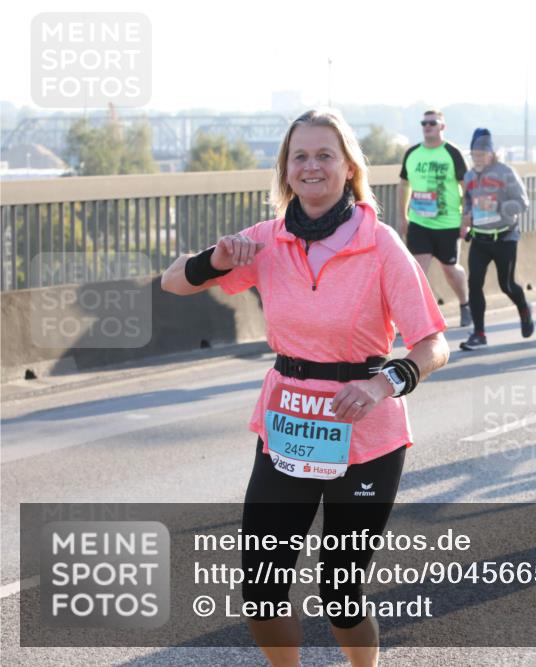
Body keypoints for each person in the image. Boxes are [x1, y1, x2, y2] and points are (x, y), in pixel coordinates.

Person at [161, 109, 450, 667]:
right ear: (286, 171)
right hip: (287, 427)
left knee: (340, 595)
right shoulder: (266, 240)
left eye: (325, 155)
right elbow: (174, 282)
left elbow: (432, 345)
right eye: (301, 157)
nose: (312, 166)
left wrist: (382, 383)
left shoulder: (380, 243)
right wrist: (216, 260)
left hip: (364, 435)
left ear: (347, 168)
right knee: (262, 589)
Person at [458, 128, 534, 350]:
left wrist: (499, 207)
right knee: (474, 284)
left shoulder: (505, 172)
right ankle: (479, 334)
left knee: (507, 284)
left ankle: (524, 308)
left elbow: (522, 203)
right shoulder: (470, 176)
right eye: (474, 154)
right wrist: (467, 217)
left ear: (492, 153)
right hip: (480, 239)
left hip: (505, 237)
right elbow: (468, 203)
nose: (478, 158)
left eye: (482, 153)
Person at [398, 110, 472, 326]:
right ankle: (416, 319)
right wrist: (403, 216)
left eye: (432, 123)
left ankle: (465, 304)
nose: (427, 126)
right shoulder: (412, 153)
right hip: (419, 221)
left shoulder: (452, 153)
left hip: (448, 222)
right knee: (416, 270)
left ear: (442, 127)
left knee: (450, 269)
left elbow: (465, 185)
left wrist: (465, 217)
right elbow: (404, 184)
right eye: (424, 123)